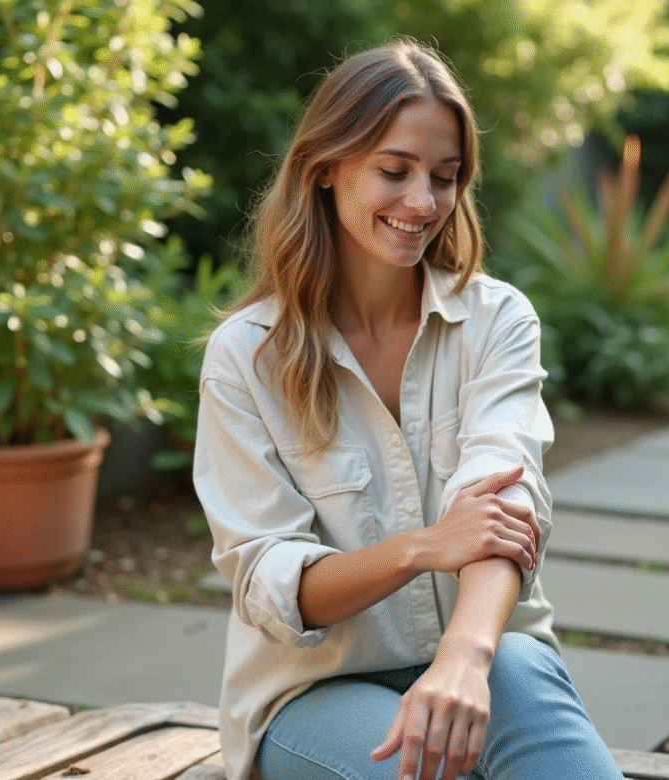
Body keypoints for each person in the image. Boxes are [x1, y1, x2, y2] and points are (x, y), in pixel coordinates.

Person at [193, 38, 624, 780]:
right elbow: (270, 579)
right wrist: (425, 546)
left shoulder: (498, 321)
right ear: (325, 169)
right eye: (394, 171)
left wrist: (462, 657)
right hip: (313, 687)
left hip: (492, 654)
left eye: (446, 177)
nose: (423, 204)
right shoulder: (245, 357)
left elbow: (506, 504)